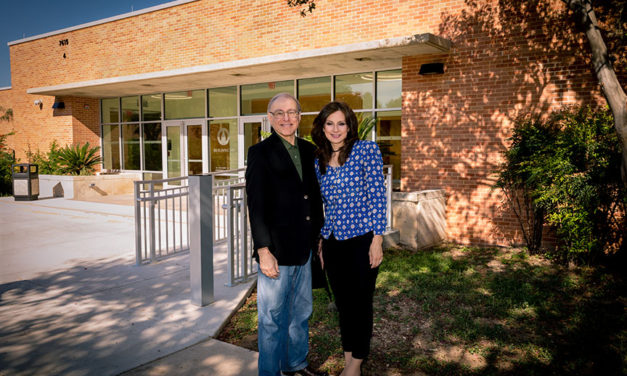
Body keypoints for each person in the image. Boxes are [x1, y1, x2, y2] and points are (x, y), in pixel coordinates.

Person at [245, 93, 327, 376]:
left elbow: (313, 199)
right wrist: (263, 250)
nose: (286, 118)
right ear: (269, 118)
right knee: (271, 319)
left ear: (299, 117)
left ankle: (295, 364)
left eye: (292, 112)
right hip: (276, 253)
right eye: (279, 113)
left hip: (304, 249)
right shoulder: (260, 152)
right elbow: (255, 206)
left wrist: (318, 241)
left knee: (301, 314)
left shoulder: (310, 150)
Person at [311, 101, 386, 376]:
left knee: (361, 303)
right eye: (329, 123)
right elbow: (324, 205)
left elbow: (378, 196)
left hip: (361, 241)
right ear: (322, 127)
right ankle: (348, 359)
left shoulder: (366, 150)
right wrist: (321, 240)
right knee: (343, 304)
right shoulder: (318, 159)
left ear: (349, 125)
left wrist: (377, 239)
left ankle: (356, 364)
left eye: (341, 123)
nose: (335, 129)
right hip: (332, 243)